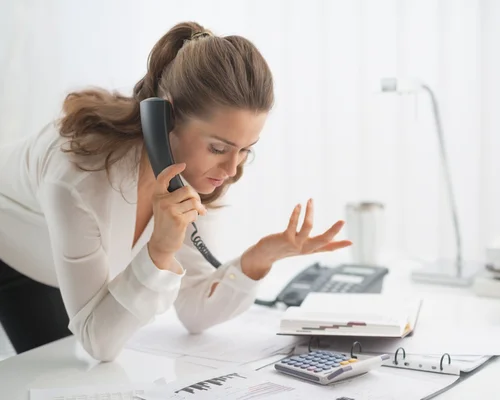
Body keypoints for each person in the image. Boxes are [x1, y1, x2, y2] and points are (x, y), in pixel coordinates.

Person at [0, 21, 351, 361]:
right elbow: (99, 344)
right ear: (164, 120)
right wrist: (159, 251)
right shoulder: (79, 178)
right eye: (218, 148)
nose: (232, 170)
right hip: (14, 257)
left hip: (63, 257)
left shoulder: (193, 173)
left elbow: (194, 311)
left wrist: (258, 259)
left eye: (245, 149)